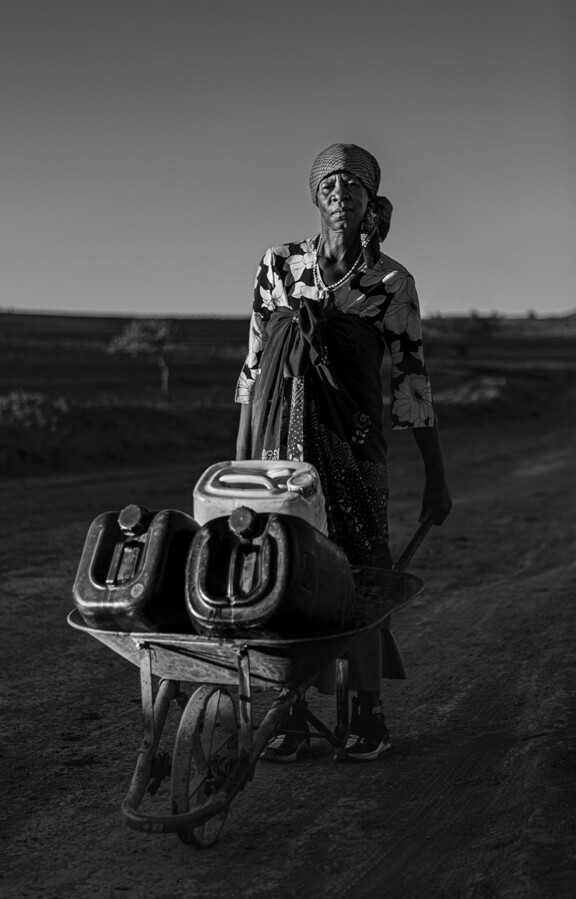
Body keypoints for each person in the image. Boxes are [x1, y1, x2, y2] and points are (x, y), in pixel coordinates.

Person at [235, 142, 452, 761]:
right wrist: (241, 462)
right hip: (279, 447)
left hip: (355, 447)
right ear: (315, 197)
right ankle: (290, 710)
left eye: (352, 187)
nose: (339, 196)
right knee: (281, 569)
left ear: (369, 199)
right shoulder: (279, 265)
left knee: (360, 571)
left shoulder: (391, 282)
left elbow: (411, 382)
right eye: (328, 187)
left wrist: (436, 476)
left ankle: (366, 712)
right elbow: (253, 368)